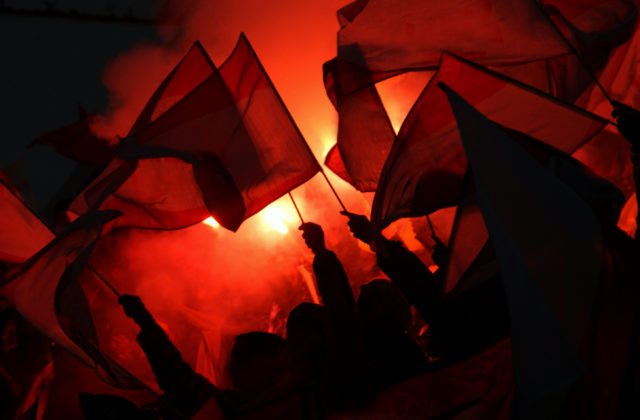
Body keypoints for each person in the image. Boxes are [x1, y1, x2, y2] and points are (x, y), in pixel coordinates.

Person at [118, 295, 290, 419]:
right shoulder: (225, 404)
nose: (230, 366)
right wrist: (146, 322)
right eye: (235, 360)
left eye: (238, 360)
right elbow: (177, 376)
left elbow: (176, 376)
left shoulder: (291, 408)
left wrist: (146, 321)